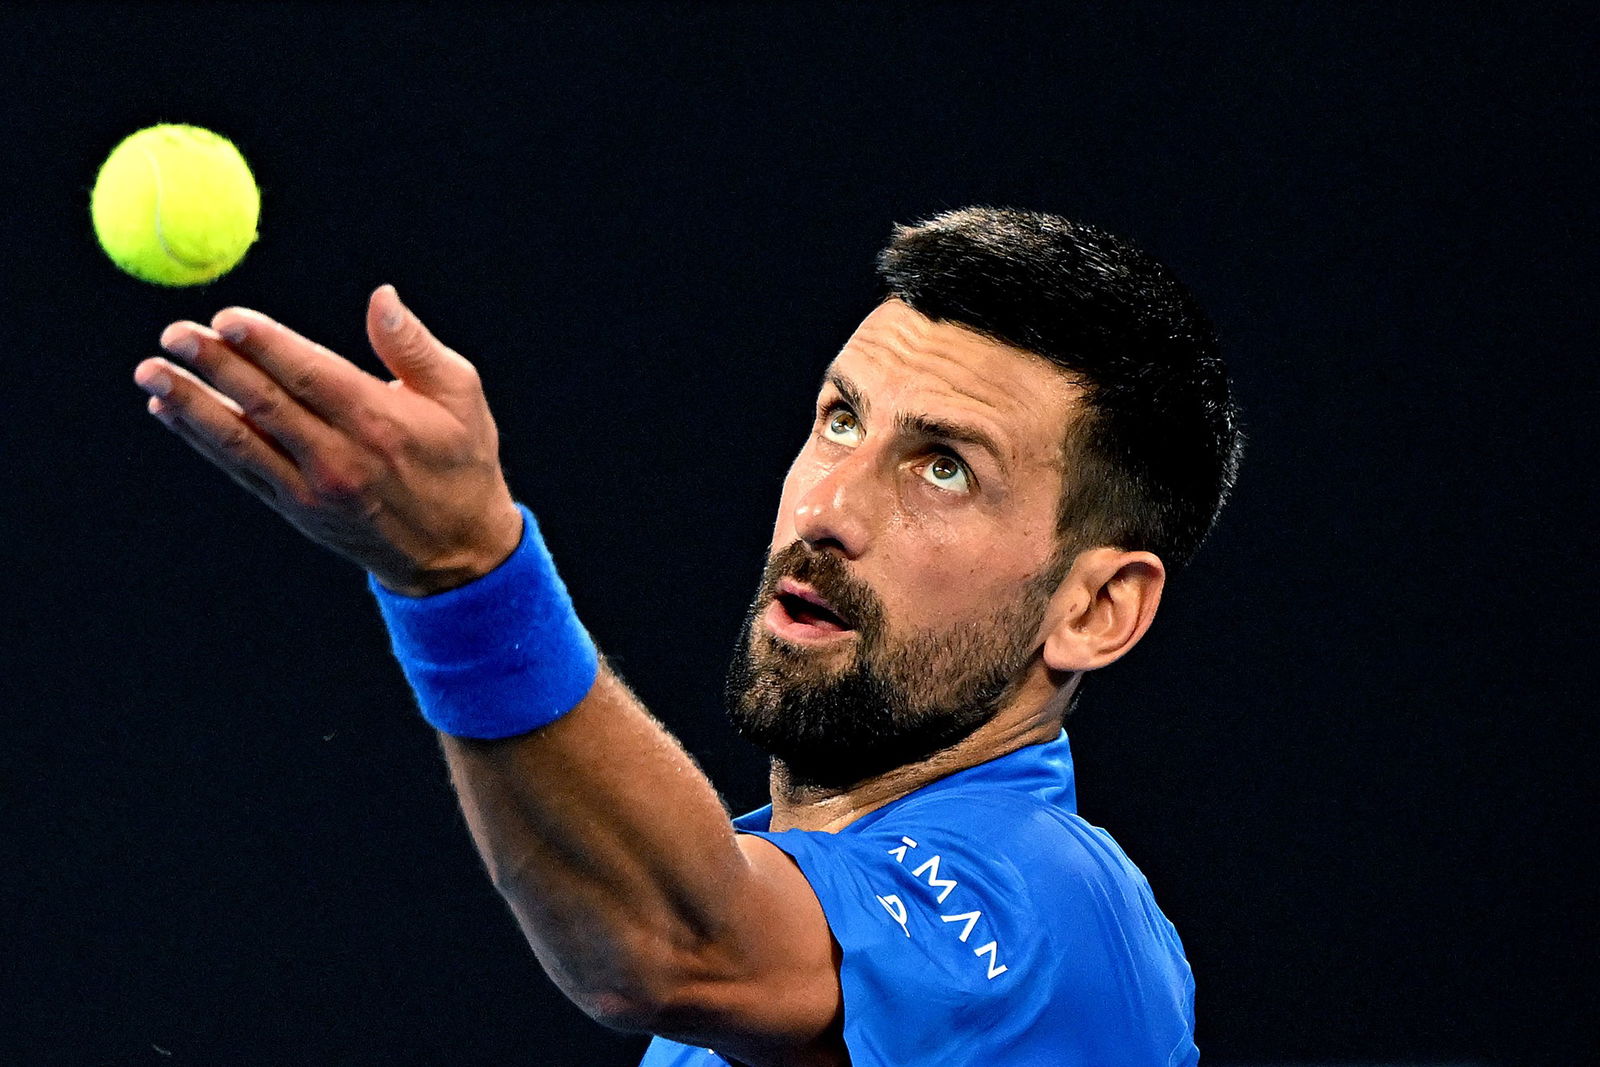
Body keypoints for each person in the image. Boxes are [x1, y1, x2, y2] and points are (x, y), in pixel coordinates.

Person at [133, 206, 1243, 1066]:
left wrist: (463, 575)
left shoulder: (1053, 907)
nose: (827, 509)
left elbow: (668, 944)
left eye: (943, 467)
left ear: (1096, 608)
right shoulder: (780, 929)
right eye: (840, 419)